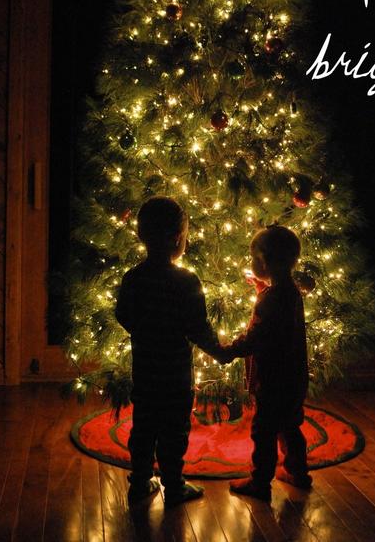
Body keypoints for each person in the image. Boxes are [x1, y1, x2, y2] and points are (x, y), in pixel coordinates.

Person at [115, 196, 222, 508]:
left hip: (145, 368)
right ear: (178, 237)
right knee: (174, 428)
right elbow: (197, 326)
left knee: (144, 422)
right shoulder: (186, 280)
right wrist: (219, 350)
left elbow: (123, 314)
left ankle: (139, 481)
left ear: (141, 235)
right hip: (175, 372)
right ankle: (173, 485)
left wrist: (143, 329)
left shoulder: (133, 277)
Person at [218, 225, 312, 500]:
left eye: (253, 258)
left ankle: (260, 482)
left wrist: (227, 352)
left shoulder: (272, 299)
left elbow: (254, 337)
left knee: (264, 430)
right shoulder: (290, 292)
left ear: (265, 262)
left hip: (273, 379)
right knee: (290, 425)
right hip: (294, 377)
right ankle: (298, 472)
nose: (251, 263)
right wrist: (263, 288)